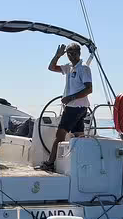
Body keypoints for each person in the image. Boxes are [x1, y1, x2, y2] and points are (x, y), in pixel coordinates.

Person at [39, 43, 93, 171]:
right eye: (68, 53)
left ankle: (50, 164)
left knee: (60, 134)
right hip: (78, 107)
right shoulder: (69, 67)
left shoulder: (84, 68)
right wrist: (57, 56)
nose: (71, 56)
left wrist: (71, 98)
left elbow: (89, 89)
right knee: (79, 135)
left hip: (75, 107)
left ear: (79, 53)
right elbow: (51, 67)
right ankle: (83, 163)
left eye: (73, 53)